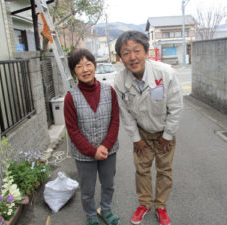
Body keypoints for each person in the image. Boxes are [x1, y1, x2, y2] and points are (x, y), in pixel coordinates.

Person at [114, 31, 183, 225]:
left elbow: (176, 107)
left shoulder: (166, 73)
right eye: (126, 52)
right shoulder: (120, 80)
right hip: (142, 133)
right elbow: (125, 113)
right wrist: (136, 138)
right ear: (120, 57)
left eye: (137, 50)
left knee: (164, 171)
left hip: (164, 133)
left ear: (146, 51)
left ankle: (161, 206)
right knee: (142, 170)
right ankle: (144, 204)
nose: (132, 57)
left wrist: (168, 135)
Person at [64, 48, 120, 225]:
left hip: (108, 151)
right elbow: (73, 130)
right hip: (84, 155)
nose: (85, 69)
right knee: (87, 189)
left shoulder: (109, 91)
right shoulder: (70, 98)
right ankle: (90, 215)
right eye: (79, 66)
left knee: (108, 184)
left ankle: (106, 210)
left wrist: (105, 146)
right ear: (74, 71)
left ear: (95, 66)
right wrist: (92, 150)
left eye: (88, 64)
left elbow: (115, 121)